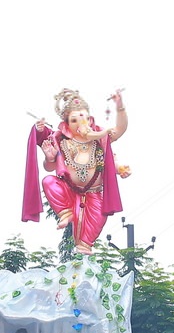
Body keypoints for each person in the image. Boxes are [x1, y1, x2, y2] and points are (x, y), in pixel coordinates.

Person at [21, 88, 128, 255]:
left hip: (95, 194)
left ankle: (83, 265)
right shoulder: (60, 140)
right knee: (48, 182)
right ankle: (66, 213)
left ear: (90, 119)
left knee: (85, 245)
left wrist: (120, 106)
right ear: (66, 125)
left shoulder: (100, 137)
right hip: (68, 192)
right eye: (74, 120)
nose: (80, 124)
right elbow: (49, 168)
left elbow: (120, 129)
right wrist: (50, 157)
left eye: (84, 118)